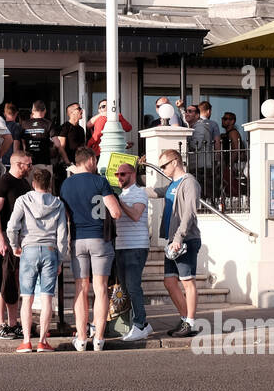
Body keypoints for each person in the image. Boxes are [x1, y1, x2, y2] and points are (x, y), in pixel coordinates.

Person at [59, 146, 123, 351]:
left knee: (81, 289)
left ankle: (81, 338)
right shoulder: (99, 181)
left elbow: (65, 216)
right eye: (95, 161)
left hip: (77, 239)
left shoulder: (65, 185)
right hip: (99, 239)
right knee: (101, 288)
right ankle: (99, 338)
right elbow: (115, 212)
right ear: (90, 160)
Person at [7, 166, 68, 353]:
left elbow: (12, 226)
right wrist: (60, 258)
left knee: (27, 298)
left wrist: (14, 245)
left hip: (29, 249)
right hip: (49, 250)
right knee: (47, 297)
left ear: (33, 183)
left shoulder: (23, 200)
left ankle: (26, 341)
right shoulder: (58, 203)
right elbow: (62, 235)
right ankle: (43, 341)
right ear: (49, 184)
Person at [147, 148, 203, 338]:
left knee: (188, 282)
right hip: (173, 241)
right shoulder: (173, 184)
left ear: (175, 162)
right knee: (170, 281)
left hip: (186, 239)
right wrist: (130, 186)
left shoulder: (189, 183)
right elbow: (156, 192)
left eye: (164, 165)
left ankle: (191, 322)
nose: (162, 169)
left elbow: (190, 213)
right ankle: (185, 318)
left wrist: (179, 238)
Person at [0, 152, 32, 339]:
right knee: (2, 280)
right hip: (6, 237)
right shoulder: (2, 183)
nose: (31, 167)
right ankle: (1, 324)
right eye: (28, 164)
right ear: (18, 164)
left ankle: (14, 323)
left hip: (21, 238)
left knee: (14, 281)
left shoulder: (25, 184)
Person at [112, 160, 152, 342]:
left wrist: (118, 202)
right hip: (120, 245)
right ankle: (141, 323)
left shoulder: (140, 193)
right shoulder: (122, 194)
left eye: (123, 174)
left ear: (133, 175)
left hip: (136, 246)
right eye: (117, 175)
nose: (119, 178)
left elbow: (136, 215)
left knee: (134, 286)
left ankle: (140, 324)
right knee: (127, 287)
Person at [53, 102, 86, 194]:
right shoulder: (65, 127)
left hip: (79, 164)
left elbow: (83, 146)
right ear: (72, 112)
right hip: (67, 165)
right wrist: (68, 162)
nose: (81, 111)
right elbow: (60, 146)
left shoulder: (81, 129)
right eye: (79, 109)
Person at [21, 99, 61, 168]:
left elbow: (23, 142)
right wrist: (53, 149)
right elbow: (57, 144)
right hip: (44, 162)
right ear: (45, 110)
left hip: (28, 163)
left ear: (33, 111)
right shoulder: (48, 123)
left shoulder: (24, 124)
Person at [1, 102, 24, 168]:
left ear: (4, 114)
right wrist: (16, 163)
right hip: (10, 162)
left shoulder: (0, 125)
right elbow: (16, 145)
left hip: (0, 160)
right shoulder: (16, 126)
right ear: (16, 113)